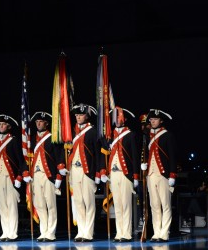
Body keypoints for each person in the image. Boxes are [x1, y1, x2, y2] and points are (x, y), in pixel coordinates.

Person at [99, 107, 140, 242]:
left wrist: (135, 176)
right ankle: (119, 232)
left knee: (126, 204)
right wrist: (104, 171)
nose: (117, 120)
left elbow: (134, 156)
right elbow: (104, 154)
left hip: (125, 173)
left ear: (125, 119)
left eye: (119, 118)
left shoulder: (130, 135)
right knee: (117, 204)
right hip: (114, 174)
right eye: (115, 118)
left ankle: (126, 233)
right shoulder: (109, 136)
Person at [25, 111, 64, 242]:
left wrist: (59, 176)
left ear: (46, 123)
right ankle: (43, 231)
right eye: (37, 122)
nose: (38, 124)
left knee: (51, 204)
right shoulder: (32, 139)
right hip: (36, 175)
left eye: (41, 122)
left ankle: (51, 232)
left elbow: (59, 156)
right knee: (39, 204)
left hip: (48, 175)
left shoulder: (52, 137)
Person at [0, 114, 25, 241]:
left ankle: (12, 232)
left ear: (8, 126)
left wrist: (20, 176)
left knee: (11, 204)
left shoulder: (13, 140)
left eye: (3, 124)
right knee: (2, 205)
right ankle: (5, 231)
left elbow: (21, 160)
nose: (1, 126)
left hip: (10, 176)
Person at [66, 103, 102, 242]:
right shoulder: (72, 132)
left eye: (81, 115)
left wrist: (99, 172)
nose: (78, 117)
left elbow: (98, 154)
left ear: (87, 116)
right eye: (77, 115)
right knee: (78, 202)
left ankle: (88, 232)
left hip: (88, 170)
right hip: (74, 170)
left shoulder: (92, 131)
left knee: (89, 202)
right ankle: (81, 231)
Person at [142, 109, 176, 242]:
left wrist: (172, 175)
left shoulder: (167, 135)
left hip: (163, 174)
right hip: (151, 174)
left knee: (165, 204)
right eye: (151, 120)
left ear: (161, 121)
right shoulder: (148, 136)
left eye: (155, 119)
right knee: (154, 205)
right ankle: (156, 232)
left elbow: (172, 157)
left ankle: (164, 232)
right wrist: (144, 164)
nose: (152, 121)